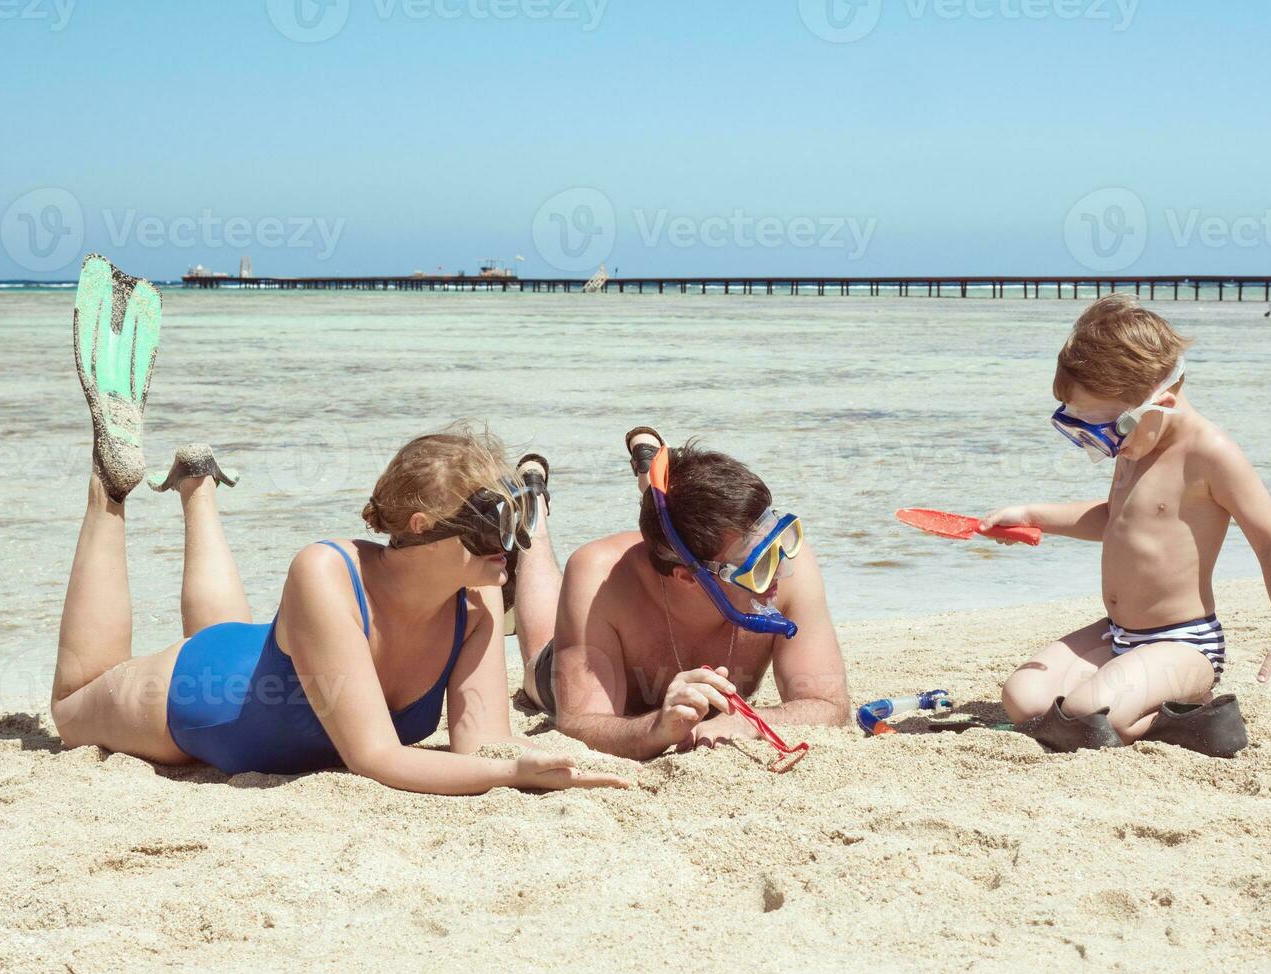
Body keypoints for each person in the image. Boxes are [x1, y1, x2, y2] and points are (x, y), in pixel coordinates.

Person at [51, 254, 628, 794]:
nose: (510, 546)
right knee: (73, 705)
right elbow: (374, 759)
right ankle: (110, 489)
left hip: (262, 655)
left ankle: (198, 486)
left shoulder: (472, 610)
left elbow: (482, 749)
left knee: (234, 633)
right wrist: (510, 776)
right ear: (423, 525)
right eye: (490, 525)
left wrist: (528, 767)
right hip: (192, 697)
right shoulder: (325, 571)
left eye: (515, 521)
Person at [982, 293, 1271, 755]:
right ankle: (1124, 702)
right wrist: (1036, 517)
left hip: (1183, 644)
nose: (1106, 446)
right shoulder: (1137, 443)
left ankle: (1193, 716)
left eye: (1110, 429)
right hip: (1117, 634)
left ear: (1165, 398)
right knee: (1023, 699)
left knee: (1086, 715)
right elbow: (1114, 520)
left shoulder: (1209, 453)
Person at [510, 427, 850, 761]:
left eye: (778, 537)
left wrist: (750, 723)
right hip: (582, 642)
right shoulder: (598, 576)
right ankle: (532, 509)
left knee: (681, 525)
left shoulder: (792, 562)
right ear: (688, 577)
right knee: (538, 653)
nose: (778, 568)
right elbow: (579, 723)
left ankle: (659, 478)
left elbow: (830, 707)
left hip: (684, 551)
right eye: (755, 563)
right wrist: (657, 728)